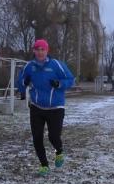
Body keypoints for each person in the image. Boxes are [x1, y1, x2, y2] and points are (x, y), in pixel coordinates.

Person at [16, 39, 75, 176]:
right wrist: (23, 83)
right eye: (37, 49)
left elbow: (70, 79)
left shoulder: (56, 65)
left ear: (47, 51)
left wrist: (59, 84)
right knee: (37, 138)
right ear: (34, 51)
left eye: (42, 49)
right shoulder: (30, 66)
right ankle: (44, 165)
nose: (40, 52)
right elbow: (20, 82)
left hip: (56, 107)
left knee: (53, 137)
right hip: (36, 107)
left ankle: (59, 151)